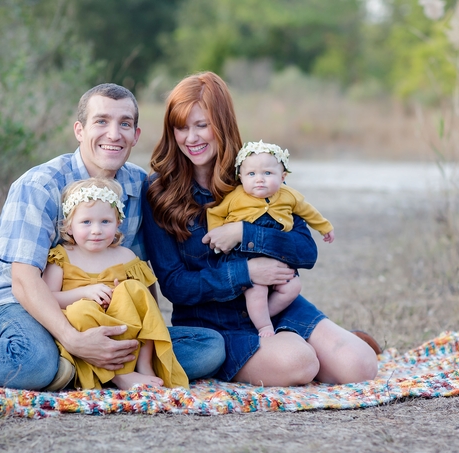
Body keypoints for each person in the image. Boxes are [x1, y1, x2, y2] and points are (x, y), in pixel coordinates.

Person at [0, 83, 225, 391]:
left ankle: (89, 366)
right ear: (79, 130)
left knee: (209, 348)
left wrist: (146, 332)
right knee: (34, 363)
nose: (114, 134)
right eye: (101, 121)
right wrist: (74, 337)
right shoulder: (41, 185)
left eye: (124, 123)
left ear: (136, 135)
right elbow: (23, 281)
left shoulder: (137, 185)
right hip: (18, 304)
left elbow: (138, 274)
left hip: (101, 312)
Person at [141, 71, 378, 387]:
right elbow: (174, 285)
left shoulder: (255, 172)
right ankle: (303, 352)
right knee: (299, 363)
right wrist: (247, 273)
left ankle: (326, 346)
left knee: (361, 367)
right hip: (215, 324)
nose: (191, 138)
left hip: (277, 307)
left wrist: (245, 234)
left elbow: (306, 252)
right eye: (182, 127)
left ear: (222, 123)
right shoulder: (158, 191)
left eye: (202, 125)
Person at [43, 177, 188, 389]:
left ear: (118, 223)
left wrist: (123, 295)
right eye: (86, 222)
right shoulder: (61, 257)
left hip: (124, 333)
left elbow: (147, 310)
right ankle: (117, 376)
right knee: (80, 311)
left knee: (134, 289)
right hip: (85, 335)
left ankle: (143, 365)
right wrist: (86, 292)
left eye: (105, 222)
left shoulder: (126, 257)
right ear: (69, 227)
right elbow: (48, 299)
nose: (96, 230)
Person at [205, 140, 335, 337]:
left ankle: (263, 315)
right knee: (256, 291)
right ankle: (264, 326)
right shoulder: (235, 196)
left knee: (293, 286)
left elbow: (308, 211)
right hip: (245, 256)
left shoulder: (289, 195)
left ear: (283, 177)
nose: (259, 179)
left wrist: (324, 227)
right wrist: (216, 235)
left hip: (278, 255)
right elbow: (215, 212)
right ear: (240, 177)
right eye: (251, 174)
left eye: (267, 173)